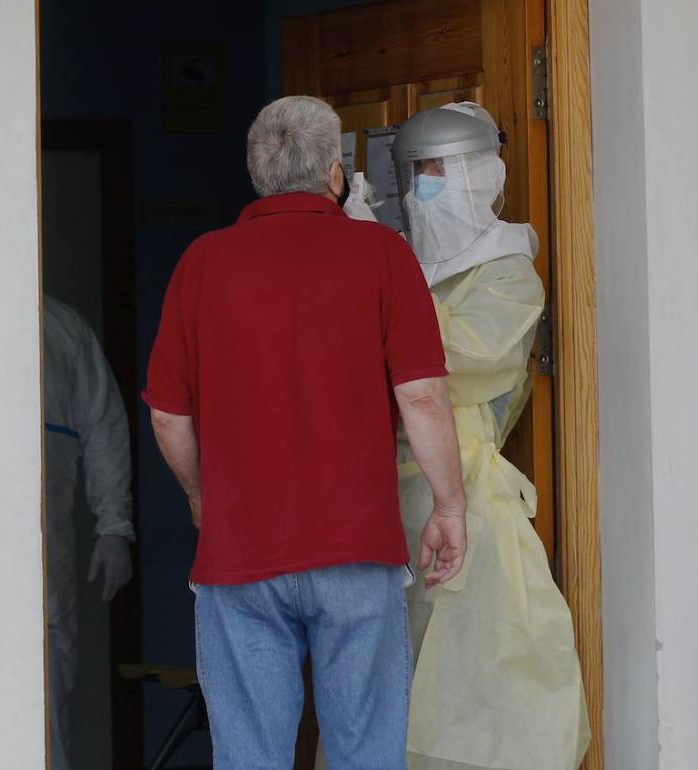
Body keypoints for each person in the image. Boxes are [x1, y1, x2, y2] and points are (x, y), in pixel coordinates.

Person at [144, 95, 468, 770]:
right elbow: (423, 398)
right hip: (355, 551)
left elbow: (169, 415)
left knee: (250, 756)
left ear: (258, 174)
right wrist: (449, 506)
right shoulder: (380, 254)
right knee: (365, 753)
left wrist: (203, 498)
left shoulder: (203, 263)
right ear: (334, 173)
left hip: (239, 559)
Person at [338, 102, 589, 770]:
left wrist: (378, 281)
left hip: (466, 506)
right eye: (415, 173)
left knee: (479, 703)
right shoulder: (402, 267)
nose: (425, 189)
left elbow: (447, 359)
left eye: (437, 172)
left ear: (479, 175)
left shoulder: (507, 271)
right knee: (381, 699)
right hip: (377, 512)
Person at [42, 295, 135, 770]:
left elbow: (103, 426)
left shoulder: (60, 328)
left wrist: (113, 525)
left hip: (42, 549)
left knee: (47, 681)